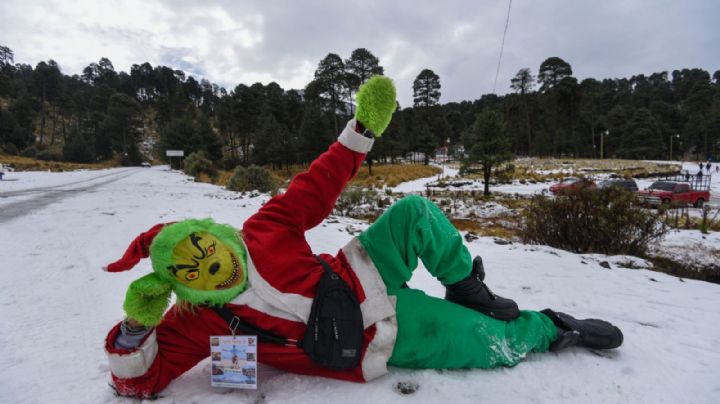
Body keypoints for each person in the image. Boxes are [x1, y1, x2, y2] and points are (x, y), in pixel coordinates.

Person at [103, 76, 623, 399]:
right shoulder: (193, 322)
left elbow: (316, 185)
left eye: (206, 248)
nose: (211, 265)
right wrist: (133, 327)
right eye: (190, 271)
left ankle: (467, 287)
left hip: (359, 272)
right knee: (493, 343)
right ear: (176, 285)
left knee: (415, 211)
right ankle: (553, 328)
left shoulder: (260, 229)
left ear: (213, 233)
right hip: (378, 337)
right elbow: (136, 384)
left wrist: (360, 133)